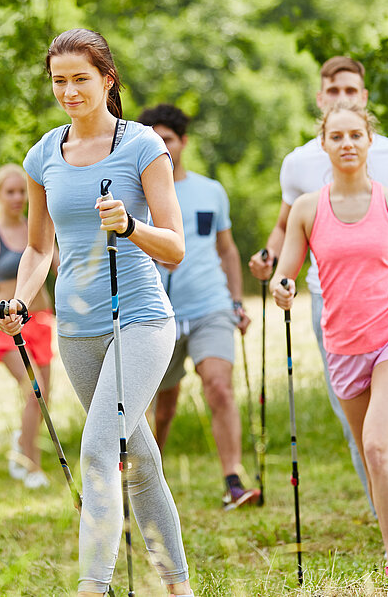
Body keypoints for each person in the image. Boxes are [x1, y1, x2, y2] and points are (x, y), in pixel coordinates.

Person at [0, 28, 193, 597]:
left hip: (141, 320)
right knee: (142, 461)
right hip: (78, 330)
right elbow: (38, 248)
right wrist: (21, 300)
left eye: (81, 79)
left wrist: (129, 227)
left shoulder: (142, 146)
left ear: (108, 80)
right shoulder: (42, 155)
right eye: (59, 80)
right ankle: (179, 588)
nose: (69, 91)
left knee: (100, 450)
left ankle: (92, 587)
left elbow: (176, 247)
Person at [249, 56, 388, 523]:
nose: (342, 98)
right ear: (321, 99)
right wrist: (272, 267)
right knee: (361, 430)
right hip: (331, 303)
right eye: (333, 91)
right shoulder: (299, 163)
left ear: (363, 98)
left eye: (351, 91)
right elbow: (286, 228)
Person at [271, 98, 388, 580]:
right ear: (323, 144)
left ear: (370, 142)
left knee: (379, 446)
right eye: (336, 136)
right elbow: (288, 273)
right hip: (342, 346)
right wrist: (283, 289)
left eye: (355, 135)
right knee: (370, 451)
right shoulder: (306, 209)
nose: (346, 143)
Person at [137, 103, 259, 511]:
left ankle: (233, 481)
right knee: (163, 406)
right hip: (159, 312)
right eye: (156, 141)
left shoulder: (211, 191)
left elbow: (227, 249)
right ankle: (148, 480)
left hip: (211, 306)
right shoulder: (138, 192)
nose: (164, 148)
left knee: (219, 387)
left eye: (169, 139)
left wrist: (236, 300)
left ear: (183, 142)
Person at [0, 163, 56, 490]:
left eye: (23, 191)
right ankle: (31, 465)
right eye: (11, 192)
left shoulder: (40, 228)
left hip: (42, 320)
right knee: (36, 390)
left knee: (43, 398)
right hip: (6, 324)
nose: (18, 197)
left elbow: (60, 265)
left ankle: (24, 440)